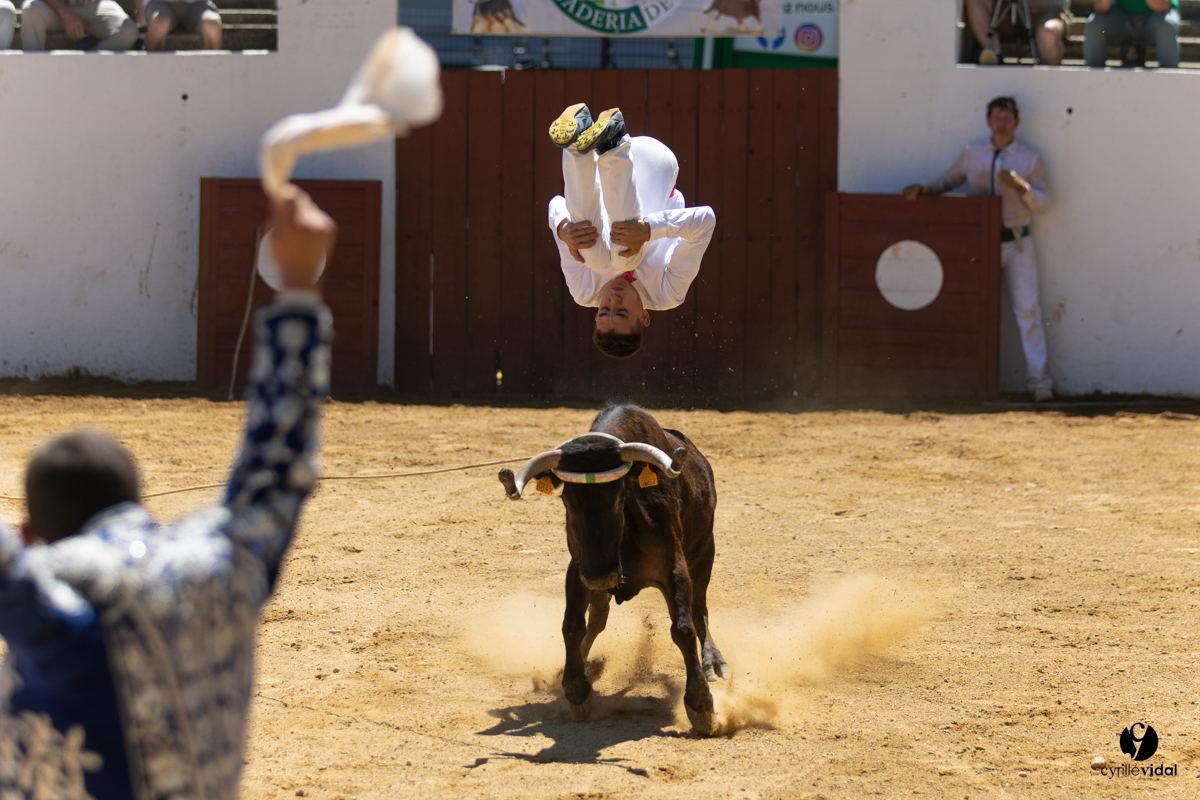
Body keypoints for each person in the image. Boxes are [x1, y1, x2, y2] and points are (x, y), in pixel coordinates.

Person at [0, 184, 336, 800]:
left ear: (29, 535)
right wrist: (298, 286)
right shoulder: (221, 562)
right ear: (142, 508)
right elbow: (278, 459)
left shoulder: (51, 597)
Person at [902, 97, 1054, 402]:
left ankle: (1039, 383)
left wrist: (1021, 187)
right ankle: (964, 381)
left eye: (1007, 119)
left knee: (1028, 310)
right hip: (978, 243)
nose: (1001, 124)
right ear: (988, 122)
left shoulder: (1029, 159)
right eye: (997, 118)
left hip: (1016, 241)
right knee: (970, 309)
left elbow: (1045, 204)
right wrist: (927, 189)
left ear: (1016, 123)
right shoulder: (973, 153)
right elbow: (951, 179)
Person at [548, 104, 716, 359]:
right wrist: (648, 230)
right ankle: (614, 143)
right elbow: (705, 221)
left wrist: (563, 230)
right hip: (654, 162)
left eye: (604, 310)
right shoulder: (668, 293)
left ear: (596, 314)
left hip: (598, 161)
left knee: (593, 256)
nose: (613, 300)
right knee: (624, 256)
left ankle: (576, 144)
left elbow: (557, 204)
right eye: (622, 311)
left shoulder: (583, 292)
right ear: (644, 317)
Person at [966, 0, 1068, 65]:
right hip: (1007, 10)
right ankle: (995, 56)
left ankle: (1047, 81)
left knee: (1048, 33)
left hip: (1046, 11)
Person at [1084, 0, 1180, 68]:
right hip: (1122, 18)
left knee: (1167, 25)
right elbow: (1100, 8)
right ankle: (1093, 81)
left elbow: (1163, 7)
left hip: (1156, 19)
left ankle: (1170, 82)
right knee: (1095, 25)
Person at [19, 0, 142, 51]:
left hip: (95, 6)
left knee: (128, 31)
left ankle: (88, 68)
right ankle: (33, 68)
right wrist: (65, 12)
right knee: (31, 10)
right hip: (57, 6)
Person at [144, 0, 222, 51]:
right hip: (160, 2)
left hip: (198, 3)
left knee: (212, 26)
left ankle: (208, 71)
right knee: (159, 24)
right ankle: (153, 70)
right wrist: (140, 16)